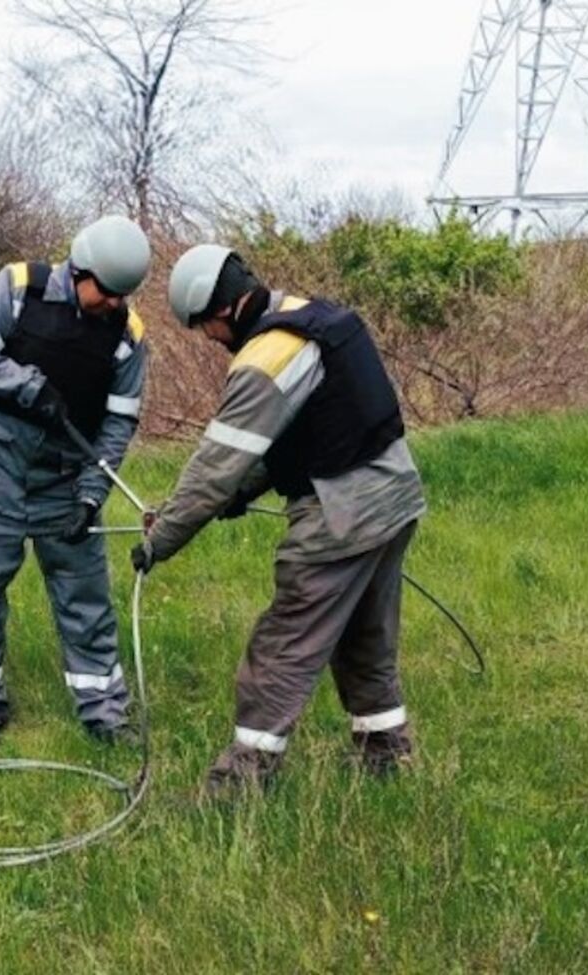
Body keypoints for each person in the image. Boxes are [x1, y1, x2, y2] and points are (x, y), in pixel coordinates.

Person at [131, 244, 426, 793]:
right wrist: (241, 494)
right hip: (396, 499)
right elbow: (301, 433)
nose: (210, 341)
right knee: (365, 638)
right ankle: (387, 755)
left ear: (222, 312)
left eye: (204, 329)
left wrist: (162, 539)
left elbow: (214, 468)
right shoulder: (314, 315)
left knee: (282, 649)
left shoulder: (266, 357)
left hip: (341, 518)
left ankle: (240, 783)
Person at [0, 215, 151, 741]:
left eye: (125, 295)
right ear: (79, 270)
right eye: (107, 292)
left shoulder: (127, 336)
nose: (115, 304)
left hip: (65, 480)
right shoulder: (18, 288)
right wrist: (25, 386)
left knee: (87, 601)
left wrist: (90, 494)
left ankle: (104, 711)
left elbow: (119, 421)